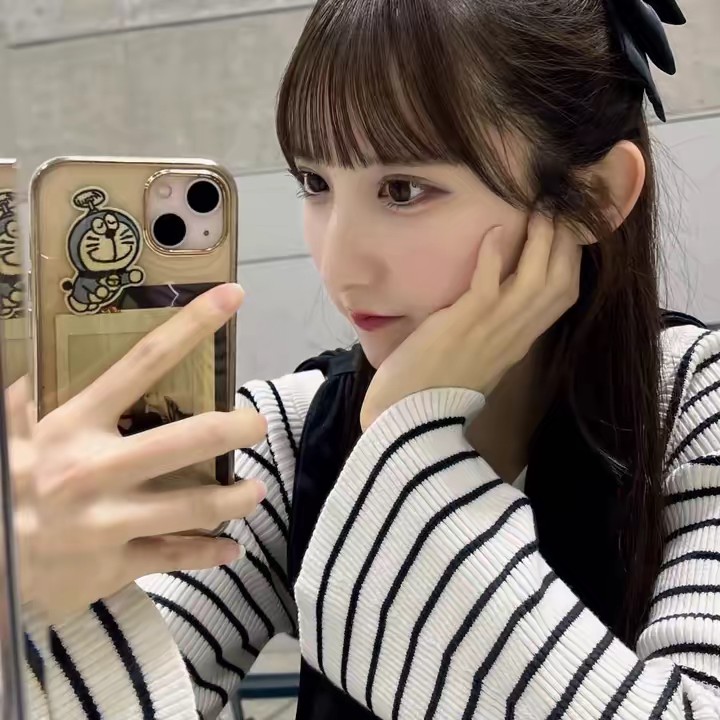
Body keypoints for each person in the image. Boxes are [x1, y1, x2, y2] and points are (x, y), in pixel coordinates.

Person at [20, 0, 720, 718]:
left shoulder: (699, 404)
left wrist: (410, 443)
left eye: (403, 190)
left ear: (594, 197)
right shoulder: (287, 434)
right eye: (315, 184)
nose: (339, 265)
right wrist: (48, 599)